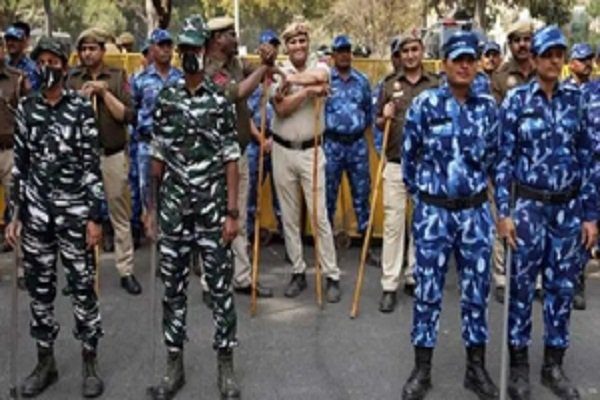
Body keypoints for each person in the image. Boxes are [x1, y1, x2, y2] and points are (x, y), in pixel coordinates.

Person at [496, 26, 598, 400]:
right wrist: (503, 214)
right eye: (548, 54)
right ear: (534, 59)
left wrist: (590, 215)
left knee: (561, 288)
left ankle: (553, 365)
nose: (555, 60)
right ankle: (519, 368)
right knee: (521, 289)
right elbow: (504, 160)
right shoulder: (516, 101)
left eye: (560, 54)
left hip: (568, 210)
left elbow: (588, 158)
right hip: (528, 208)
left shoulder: (577, 100)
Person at [400, 31, 499, 400]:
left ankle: (476, 369)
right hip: (433, 214)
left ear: (476, 64)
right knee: (427, 292)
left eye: (470, 59)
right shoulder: (425, 105)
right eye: (457, 59)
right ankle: (421, 370)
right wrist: (427, 200)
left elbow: (494, 160)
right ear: (444, 64)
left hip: (474, 213)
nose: (464, 65)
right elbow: (408, 162)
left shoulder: (488, 108)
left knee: (477, 293)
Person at [146, 16, 242, 399]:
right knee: (173, 289)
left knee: (219, 289)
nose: (188, 56)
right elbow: (157, 157)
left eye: (193, 49)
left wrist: (233, 213)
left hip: (212, 210)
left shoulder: (219, 99)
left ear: (204, 52)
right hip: (173, 209)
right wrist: (150, 208)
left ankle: (226, 368)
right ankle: (174, 366)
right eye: (182, 50)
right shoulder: (166, 99)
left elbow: (231, 158)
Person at [5, 36, 105, 398]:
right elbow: (21, 166)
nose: (47, 67)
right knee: (40, 291)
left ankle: (89, 361)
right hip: (36, 217)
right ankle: (44, 361)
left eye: (53, 61)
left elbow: (92, 167)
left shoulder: (80, 109)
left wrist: (95, 217)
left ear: (65, 66)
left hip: (75, 216)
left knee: (82, 290)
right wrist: (13, 213)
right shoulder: (28, 108)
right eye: (41, 61)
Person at [204, 16, 277, 298]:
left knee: (240, 218)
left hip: (240, 151)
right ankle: (211, 283)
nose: (236, 38)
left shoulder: (235, 62)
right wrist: (262, 71)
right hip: (213, 157)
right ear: (217, 40)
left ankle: (242, 277)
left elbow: (263, 70)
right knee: (214, 219)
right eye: (231, 34)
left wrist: (269, 60)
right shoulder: (208, 69)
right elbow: (236, 93)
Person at [270, 19, 342, 302]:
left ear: (307, 42)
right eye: (292, 42)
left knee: (319, 216)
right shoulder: (279, 70)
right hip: (282, 149)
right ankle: (298, 271)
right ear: (286, 46)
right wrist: (308, 91)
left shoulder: (321, 64)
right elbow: (282, 108)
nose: (298, 46)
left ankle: (331, 274)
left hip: (312, 150)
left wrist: (296, 82)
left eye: (302, 40)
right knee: (289, 216)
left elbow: (322, 78)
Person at [67, 27, 141, 295]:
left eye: (93, 48)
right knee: (80, 216)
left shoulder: (119, 76)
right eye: (83, 49)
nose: (87, 53)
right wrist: (81, 99)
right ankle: (82, 272)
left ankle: (126, 270)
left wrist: (104, 93)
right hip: (80, 160)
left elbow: (127, 115)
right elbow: (64, 116)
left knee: (119, 215)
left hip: (112, 155)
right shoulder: (72, 78)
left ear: (102, 50)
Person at [375, 31, 439, 313]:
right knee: (393, 225)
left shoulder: (436, 84)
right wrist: (384, 115)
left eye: (415, 49)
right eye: (405, 51)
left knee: (421, 224)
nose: (410, 55)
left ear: (422, 51)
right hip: (396, 163)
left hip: (427, 165)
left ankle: (414, 275)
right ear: (399, 56)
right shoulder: (389, 85)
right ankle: (390, 284)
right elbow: (377, 123)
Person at [490, 19, 537, 303]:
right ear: (510, 44)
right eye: (517, 40)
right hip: (506, 160)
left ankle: (536, 277)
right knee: (502, 216)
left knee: (534, 220)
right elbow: (497, 120)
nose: (522, 45)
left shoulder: (543, 72)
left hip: (537, 163)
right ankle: (500, 277)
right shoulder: (498, 78)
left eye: (527, 39)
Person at [324, 35, 373, 257]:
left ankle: (367, 246)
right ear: (333, 55)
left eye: (347, 50)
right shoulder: (325, 81)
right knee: (327, 198)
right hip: (332, 145)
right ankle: (325, 250)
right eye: (339, 51)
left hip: (356, 146)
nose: (344, 55)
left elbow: (368, 113)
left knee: (362, 196)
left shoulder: (362, 81)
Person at [131, 28, 182, 231]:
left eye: (169, 45)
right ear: (152, 48)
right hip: (148, 144)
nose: (165, 50)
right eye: (161, 45)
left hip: (175, 144)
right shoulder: (140, 80)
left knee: (174, 192)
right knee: (148, 192)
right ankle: (153, 230)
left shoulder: (180, 78)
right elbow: (133, 111)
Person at [245, 29, 283, 241]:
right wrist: (261, 140)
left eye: (274, 45)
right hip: (255, 142)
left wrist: (272, 140)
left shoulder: (281, 76)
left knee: (282, 196)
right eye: (267, 45)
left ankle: (287, 239)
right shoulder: (252, 79)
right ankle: (250, 236)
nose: (271, 50)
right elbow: (246, 116)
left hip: (278, 142)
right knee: (250, 194)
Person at [0, 34, 27, 279]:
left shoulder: (17, 79)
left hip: (10, 151)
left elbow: (26, 113)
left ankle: (21, 267)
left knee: (16, 208)